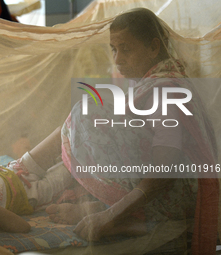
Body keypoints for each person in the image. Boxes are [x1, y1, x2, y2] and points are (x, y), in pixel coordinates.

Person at [18, 8, 217, 253]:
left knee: (88, 111)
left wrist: (109, 216)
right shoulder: (158, 81)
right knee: (95, 109)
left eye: (127, 49)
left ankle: (131, 218)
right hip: (172, 194)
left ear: (154, 48)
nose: (118, 59)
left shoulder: (165, 91)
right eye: (114, 49)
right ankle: (29, 178)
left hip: (173, 199)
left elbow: (165, 169)